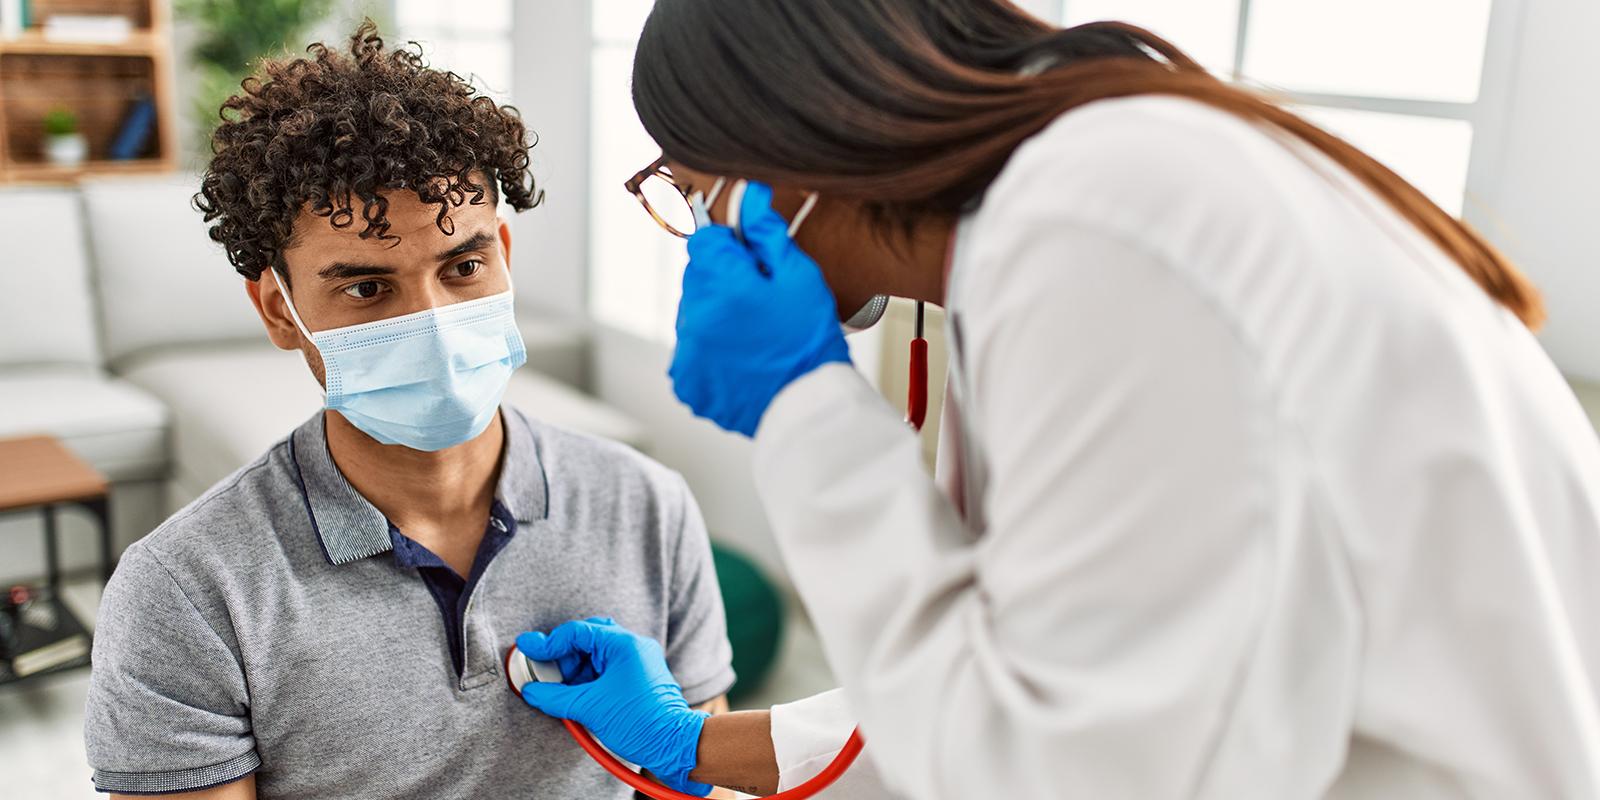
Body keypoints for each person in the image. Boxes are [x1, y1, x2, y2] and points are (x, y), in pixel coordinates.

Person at [512, 1, 1600, 798]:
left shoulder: (1096, 229)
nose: (700, 225)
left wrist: (803, 413)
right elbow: (1032, 674)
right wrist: (693, 741)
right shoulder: (1080, 202)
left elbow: (1045, 766)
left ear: (781, 146)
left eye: (690, 182)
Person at [82, 23, 736, 799]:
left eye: (463, 266)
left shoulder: (646, 508)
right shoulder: (187, 591)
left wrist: (689, 755)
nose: (431, 321)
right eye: (366, 288)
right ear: (280, 311)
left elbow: (710, 783)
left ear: (504, 257)